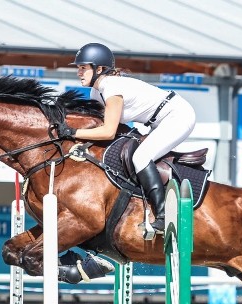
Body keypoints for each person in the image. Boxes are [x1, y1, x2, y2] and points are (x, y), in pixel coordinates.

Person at [57, 42, 196, 233]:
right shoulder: (96, 92)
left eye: (83, 68)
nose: (79, 72)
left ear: (99, 69)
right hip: (159, 120)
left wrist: (73, 133)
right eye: (79, 68)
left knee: (140, 157)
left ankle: (165, 215)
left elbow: (108, 132)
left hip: (178, 116)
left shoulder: (110, 87)